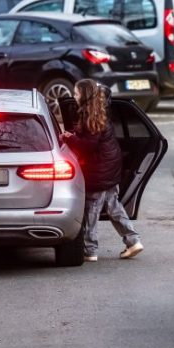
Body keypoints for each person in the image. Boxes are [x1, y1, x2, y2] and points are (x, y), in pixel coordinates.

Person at [62, 79, 144, 262]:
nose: (74, 97)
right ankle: (133, 241)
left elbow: (88, 146)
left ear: (84, 95)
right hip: (111, 169)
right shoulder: (100, 110)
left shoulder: (88, 115)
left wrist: (68, 138)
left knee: (91, 211)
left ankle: (90, 250)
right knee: (114, 207)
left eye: (76, 93)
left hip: (99, 172)